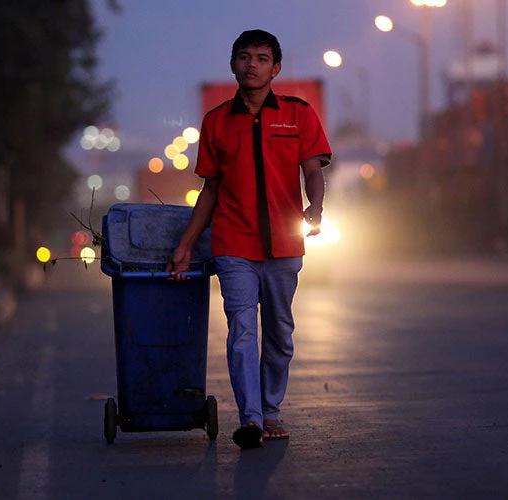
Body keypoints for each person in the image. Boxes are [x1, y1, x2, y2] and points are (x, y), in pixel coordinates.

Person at [165, 29, 331, 450]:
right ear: (233, 64)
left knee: (279, 333)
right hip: (234, 244)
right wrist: (185, 245)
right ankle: (252, 419)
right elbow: (211, 190)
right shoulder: (217, 121)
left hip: (284, 246)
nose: (252, 65)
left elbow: (313, 169)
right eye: (244, 57)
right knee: (242, 330)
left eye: (261, 58)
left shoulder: (299, 113)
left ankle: (271, 408)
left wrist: (315, 205)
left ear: (276, 68)